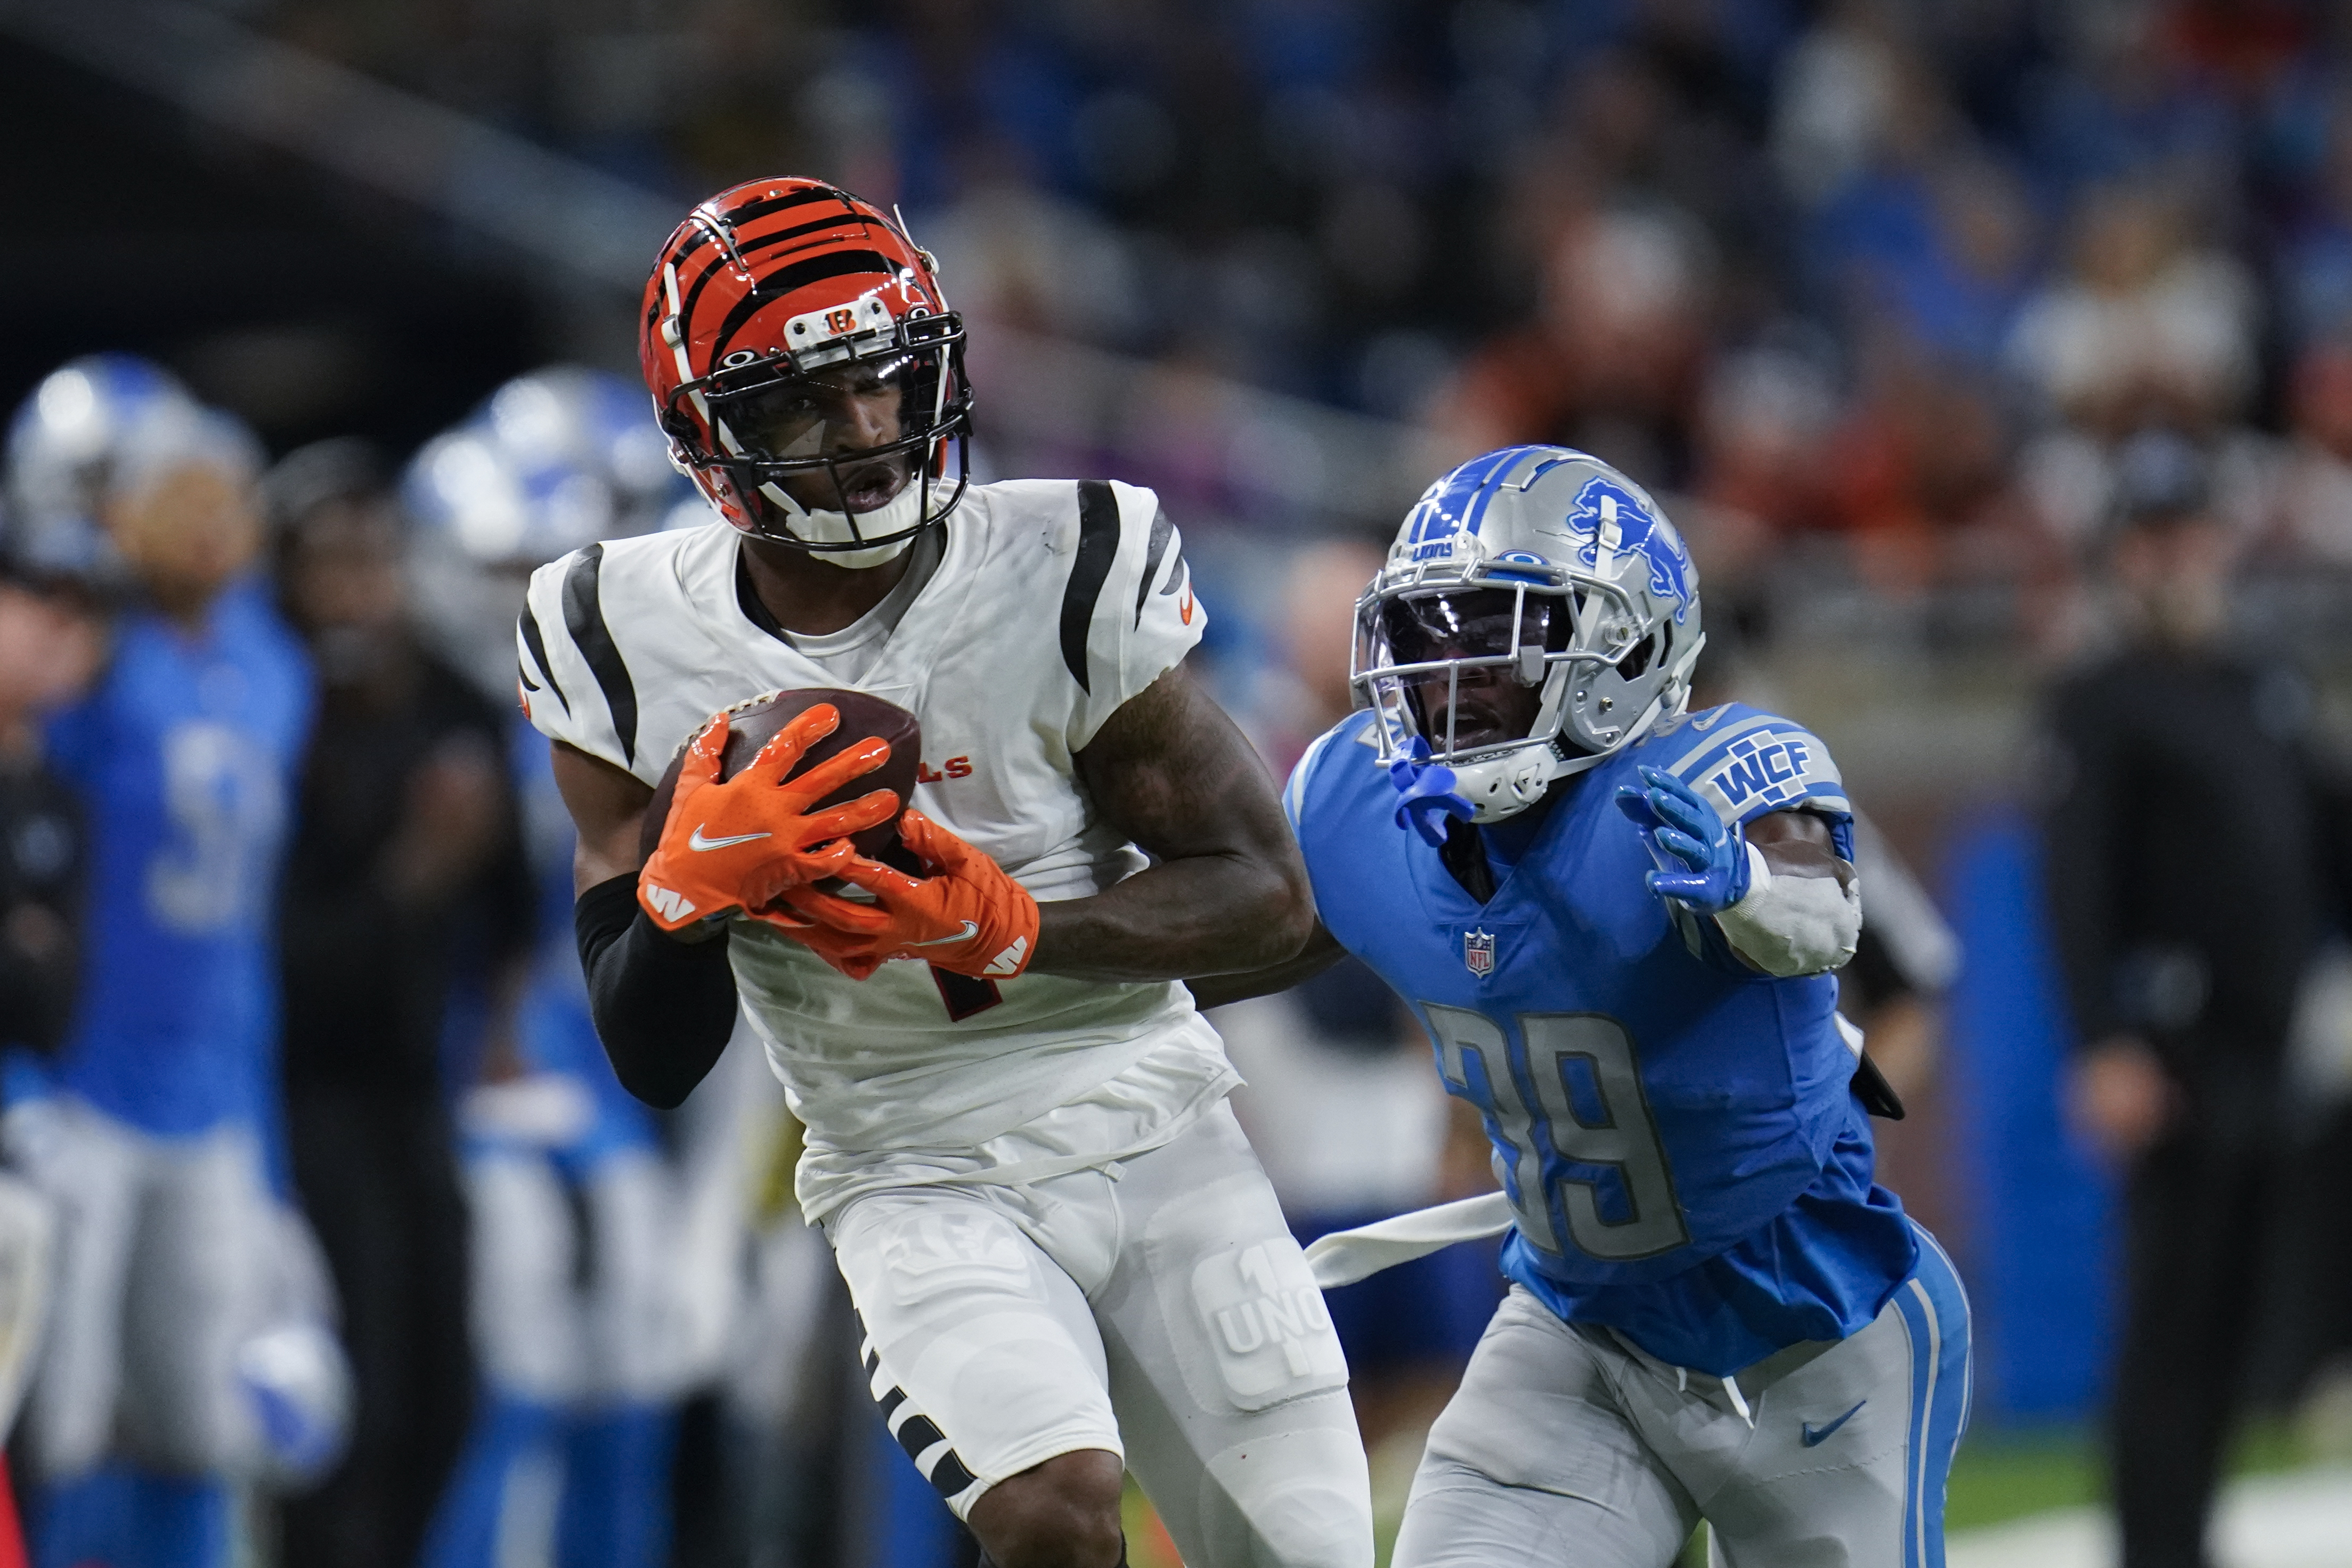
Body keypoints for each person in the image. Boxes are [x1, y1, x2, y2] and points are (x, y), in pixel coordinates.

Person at [520, 177, 1372, 1568]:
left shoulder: (1058, 565)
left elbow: (1276, 898)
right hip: (906, 1158)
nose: (864, 433)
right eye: (803, 402)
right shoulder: (615, 638)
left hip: (1152, 1122)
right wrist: (684, 896)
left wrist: (1018, 928)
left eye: (883, 381)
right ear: (705, 434)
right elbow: (652, 1053)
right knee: (1051, 1508)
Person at [1207, 445, 1970, 1566]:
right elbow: (1238, 936)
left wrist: (1749, 887)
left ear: (1627, 652)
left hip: (1808, 1323)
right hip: (1580, 1322)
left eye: (1496, 642)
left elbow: (1822, 902)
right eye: (1430, 639)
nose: (1450, 683)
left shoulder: (1709, 779)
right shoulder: (1350, 798)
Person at [0, 356, 345, 1568]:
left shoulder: (272, 665)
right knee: (65, 1409)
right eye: (167, 492)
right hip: (81, 1078)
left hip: (212, 1082)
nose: (203, 518)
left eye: (218, 492)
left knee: (208, 1413)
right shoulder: (84, 656)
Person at [404, 368, 708, 1568]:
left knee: (628, 1402)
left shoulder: (655, 716)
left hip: (631, 1109)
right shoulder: (441, 728)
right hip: (497, 1107)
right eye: (506, 571)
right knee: (514, 1395)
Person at [2039, 427, 2350, 1568]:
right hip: (2173, 1040)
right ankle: (2152, 1544)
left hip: (2274, 1042)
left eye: (2187, 530)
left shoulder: (2254, 684)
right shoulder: (2104, 697)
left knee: (2232, 1318)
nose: (2172, 555)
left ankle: (2190, 1534)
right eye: (2151, 534)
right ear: (2126, 554)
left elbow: (2325, 841)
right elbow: (2074, 883)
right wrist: (2101, 1041)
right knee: (2170, 1318)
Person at [265, 437, 527, 1568]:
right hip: (298, 1092)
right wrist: (415, 873)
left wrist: (506, 1026)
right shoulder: (282, 720)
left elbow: (519, 898)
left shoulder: (453, 703)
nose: (357, 588)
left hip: (417, 1087)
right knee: (348, 1400)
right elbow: (282, 958)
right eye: (329, 562)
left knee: (446, 1391)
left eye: (373, 558)